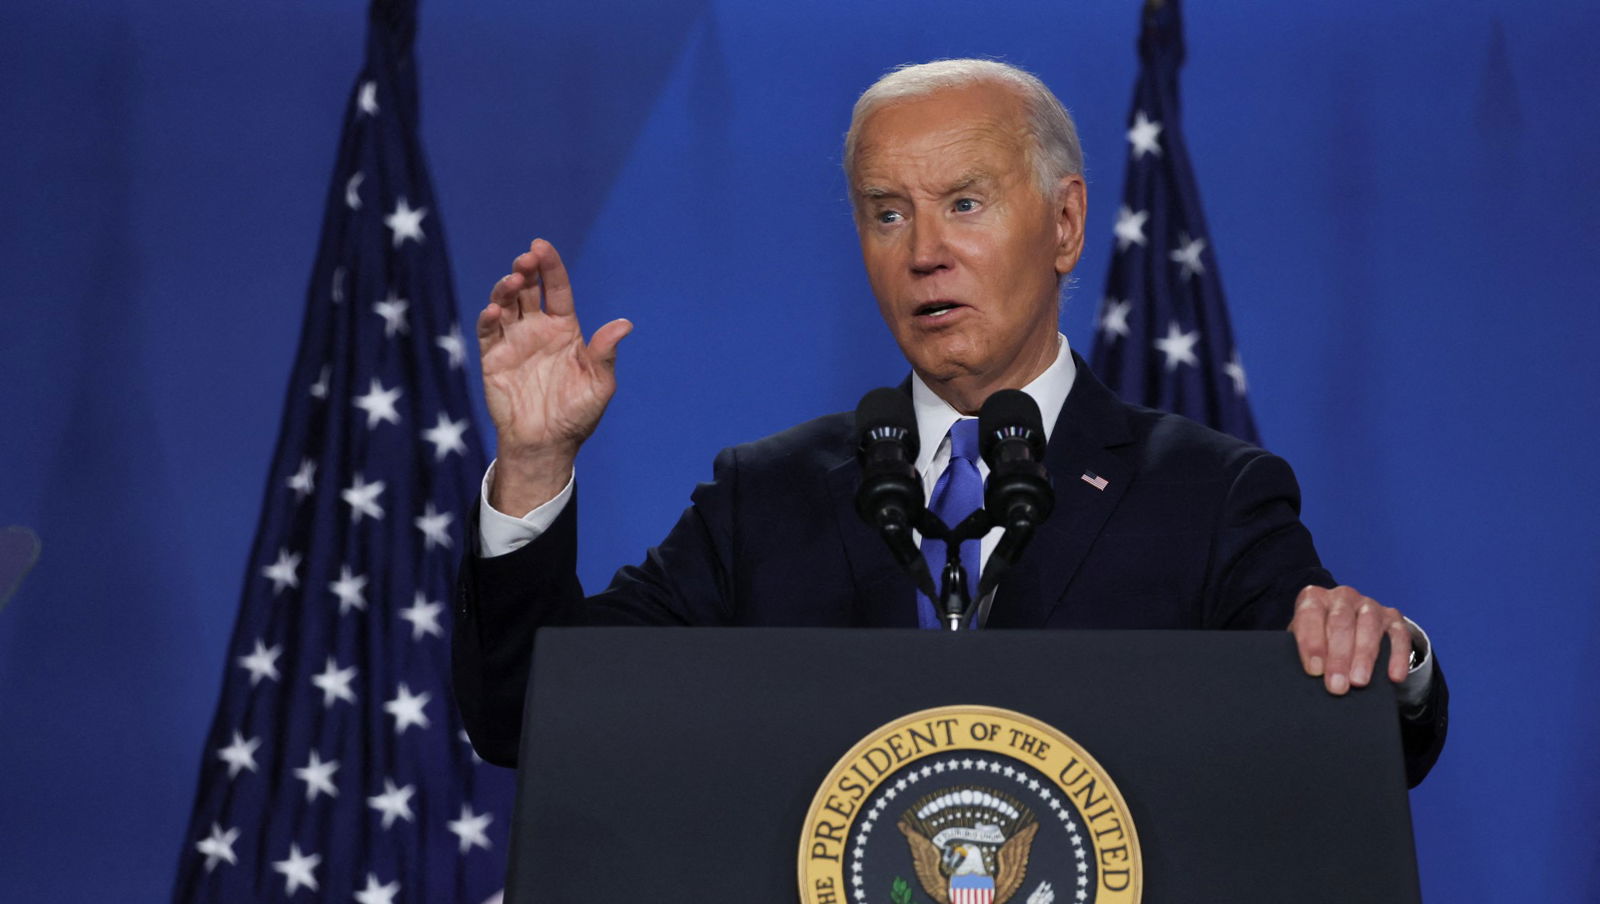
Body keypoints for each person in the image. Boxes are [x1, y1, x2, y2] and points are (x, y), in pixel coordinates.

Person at [451, 59, 1446, 784]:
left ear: (1064, 224)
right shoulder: (769, 496)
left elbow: (1369, 740)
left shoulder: (1207, 493)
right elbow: (529, 718)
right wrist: (533, 467)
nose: (923, 250)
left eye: (963, 203)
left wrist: (1379, 658)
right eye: (886, 213)